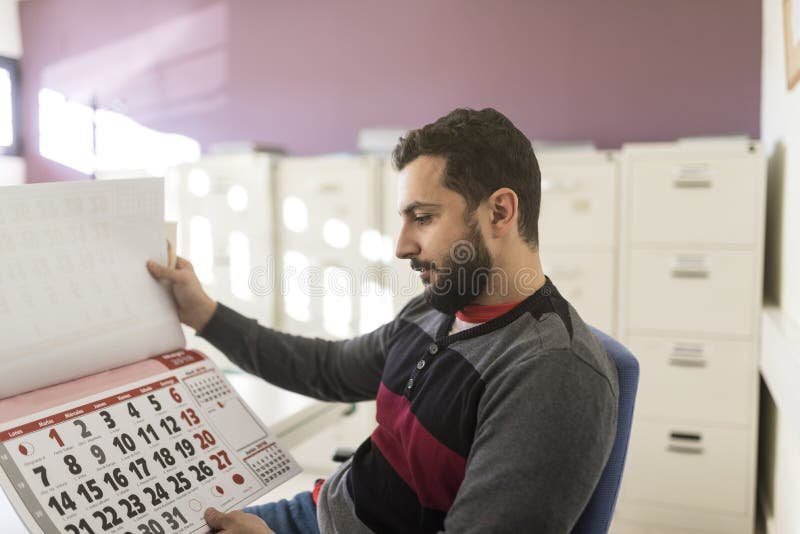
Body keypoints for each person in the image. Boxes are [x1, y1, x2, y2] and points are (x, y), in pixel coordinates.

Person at [147, 108, 618, 534]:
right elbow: (328, 367)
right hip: (320, 513)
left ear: (500, 212)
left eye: (424, 218)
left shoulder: (553, 373)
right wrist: (204, 314)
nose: (402, 246)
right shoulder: (437, 308)